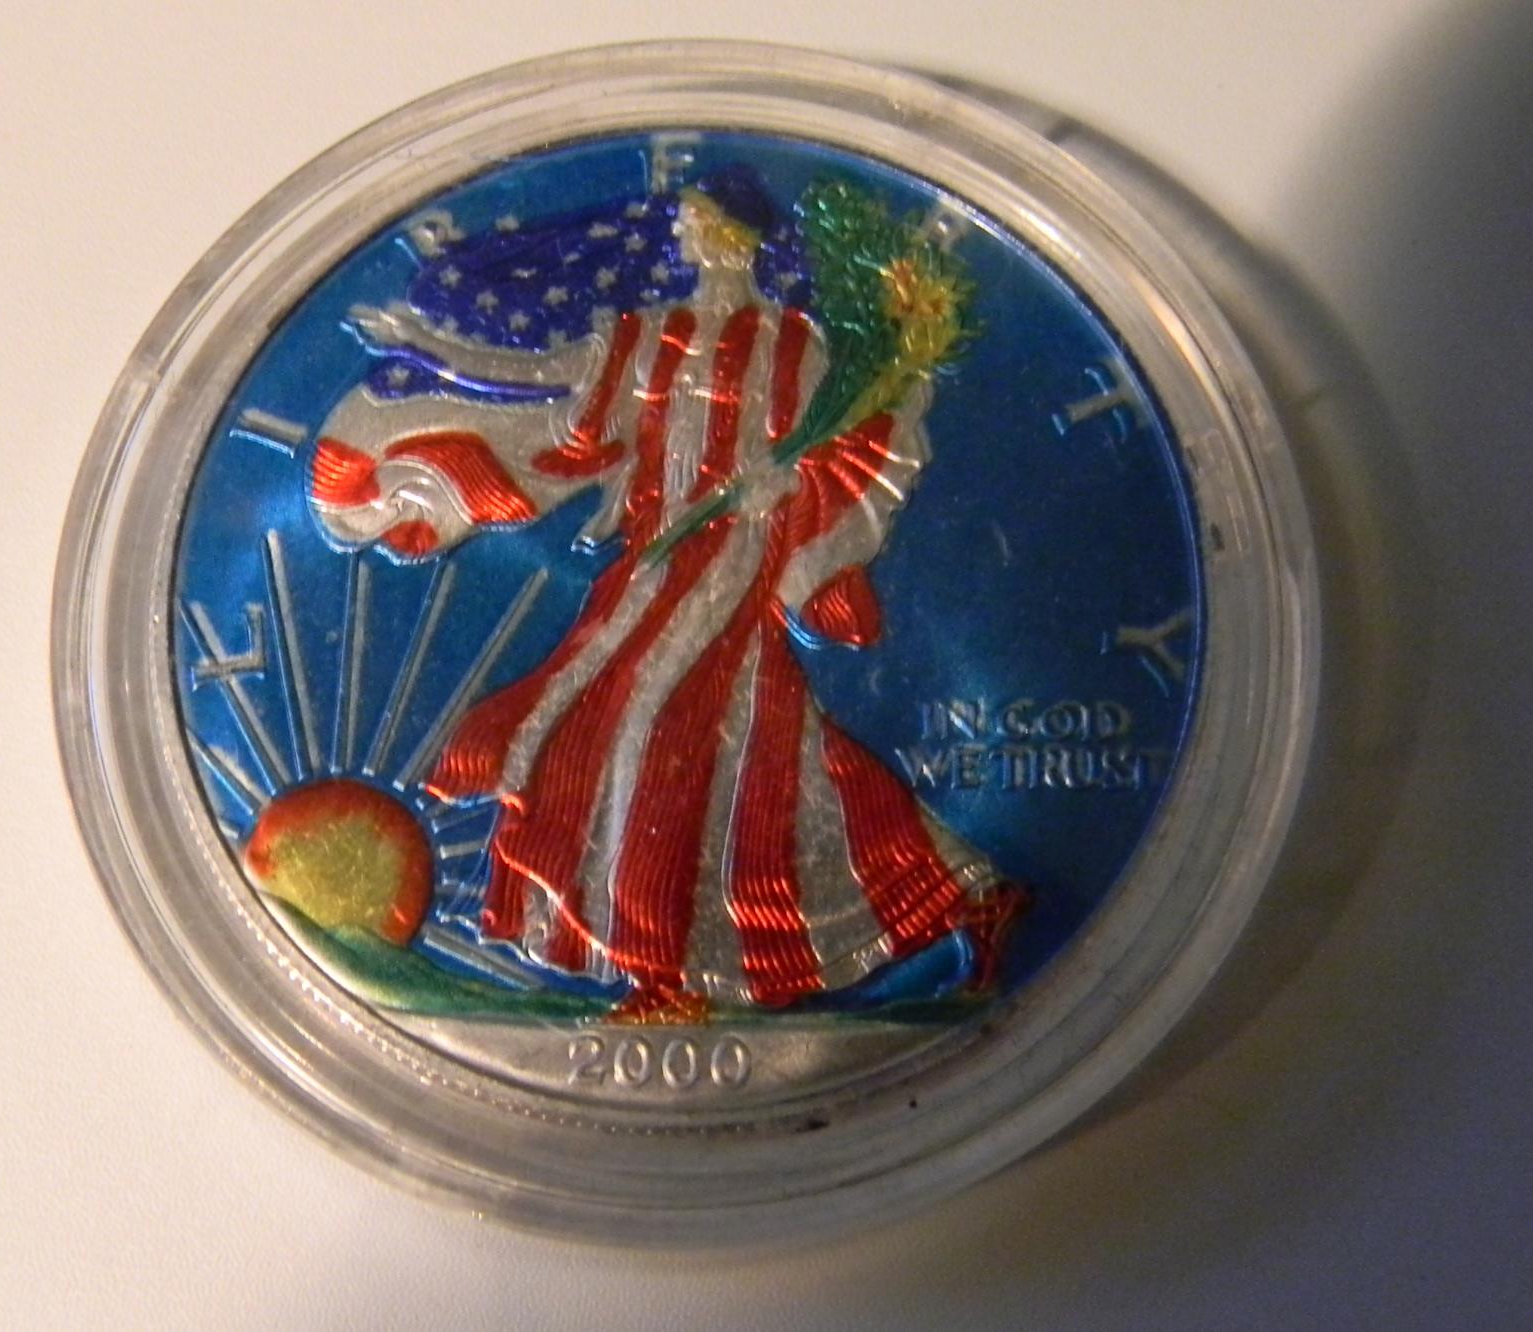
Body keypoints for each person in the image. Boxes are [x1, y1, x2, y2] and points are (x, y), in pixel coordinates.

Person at [309, 167, 1022, 1021]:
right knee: (737, 741)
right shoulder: (648, 336)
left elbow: (862, 437)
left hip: (735, 564)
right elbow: (548, 387)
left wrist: (787, 482)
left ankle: (669, 975)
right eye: (687, 223)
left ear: (741, 239)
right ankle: (960, 894)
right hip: (656, 560)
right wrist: (438, 353)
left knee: (650, 725)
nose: (688, 235)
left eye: (703, 223)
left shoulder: (800, 349)